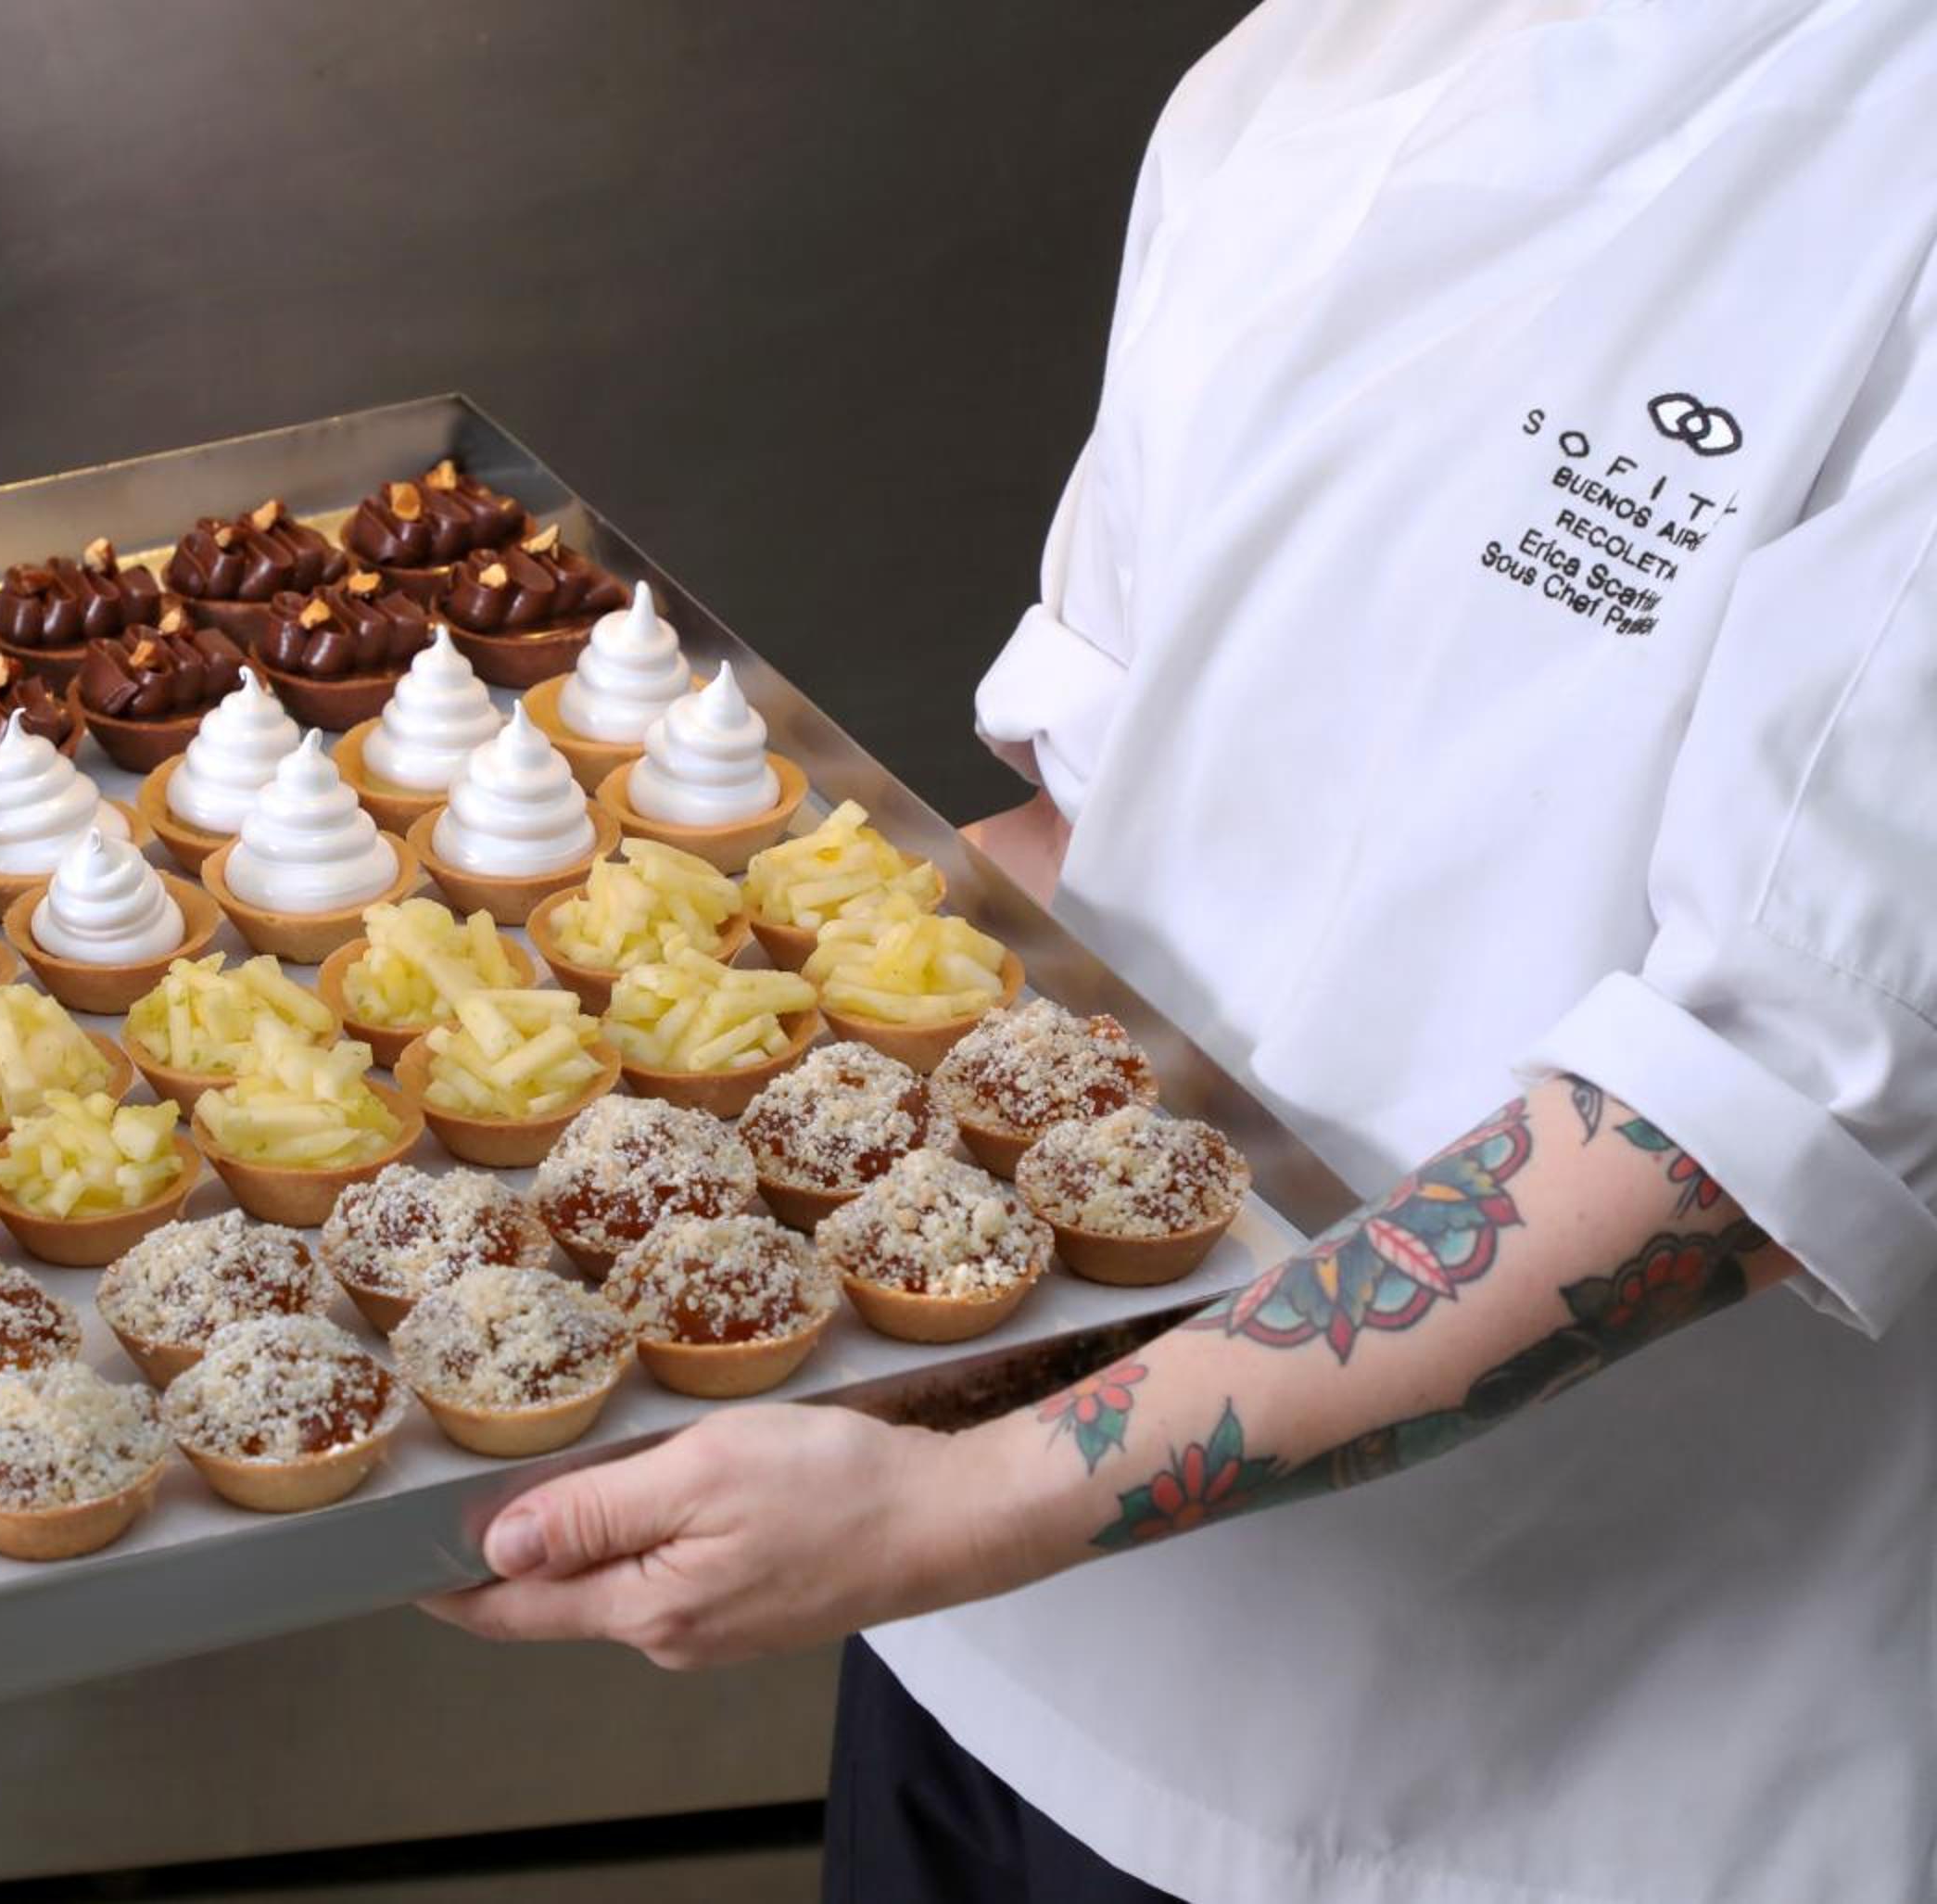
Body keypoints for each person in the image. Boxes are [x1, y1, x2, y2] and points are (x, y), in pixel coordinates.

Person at [426, 3, 1937, 1898]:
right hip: (966, 1631)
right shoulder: (1302, 70)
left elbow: (1731, 1146)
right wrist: (553, 1097)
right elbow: (1092, 848)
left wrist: (961, 1501)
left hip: (1513, 1772)